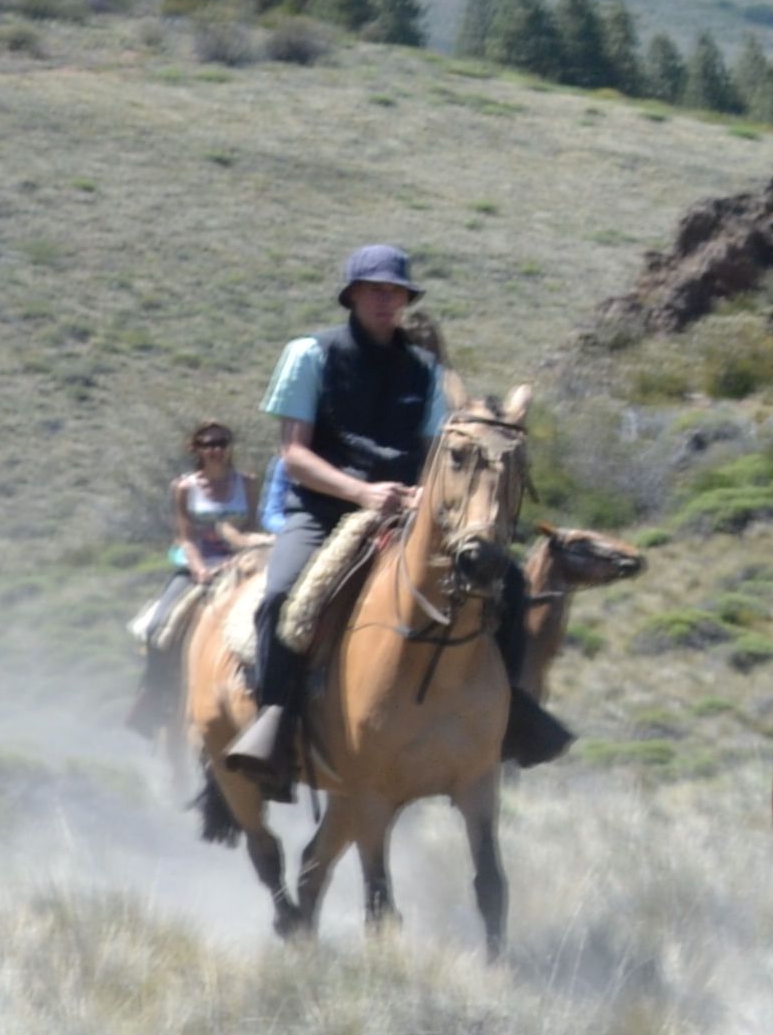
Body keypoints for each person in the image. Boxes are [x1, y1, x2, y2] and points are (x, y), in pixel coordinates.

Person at [222, 245, 568, 790]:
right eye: (377, 290)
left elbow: (436, 451)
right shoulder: (310, 354)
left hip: (409, 509)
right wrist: (361, 491)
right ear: (353, 295)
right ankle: (274, 719)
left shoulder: (427, 370)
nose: (388, 300)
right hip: (323, 507)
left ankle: (512, 711)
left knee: (512, 582)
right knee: (280, 596)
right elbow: (294, 455)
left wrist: (420, 498)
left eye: (397, 292)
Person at [128, 420, 261, 728]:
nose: (215, 450)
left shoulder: (248, 482)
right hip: (197, 566)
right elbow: (185, 537)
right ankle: (155, 694)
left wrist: (242, 558)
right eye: (208, 444)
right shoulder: (184, 487)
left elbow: (251, 528)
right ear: (196, 449)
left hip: (240, 562)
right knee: (158, 626)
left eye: (221, 443)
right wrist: (201, 568)